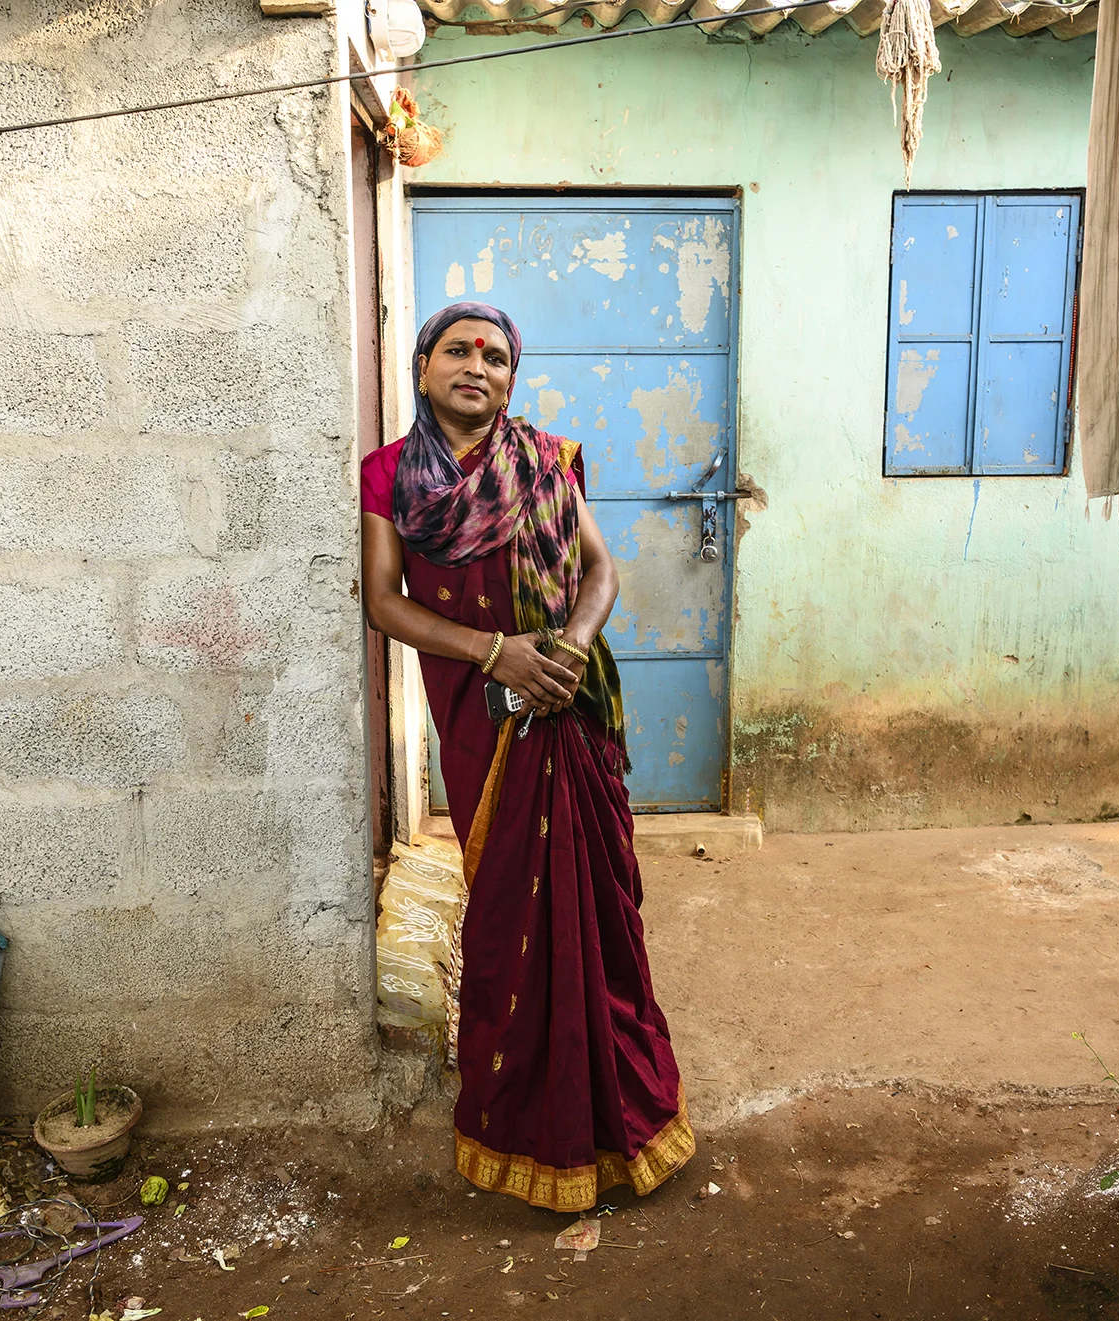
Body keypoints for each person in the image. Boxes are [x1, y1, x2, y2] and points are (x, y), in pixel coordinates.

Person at [360, 302, 694, 1213]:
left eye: (496, 356)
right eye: (458, 351)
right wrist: (493, 653)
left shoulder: (547, 461)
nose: (477, 366)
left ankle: (625, 1119)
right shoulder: (388, 475)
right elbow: (382, 601)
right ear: (423, 366)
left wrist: (570, 646)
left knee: (595, 916)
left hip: (566, 703)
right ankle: (523, 1130)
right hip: (482, 715)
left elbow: (601, 569)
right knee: (512, 915)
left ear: (512, 377)